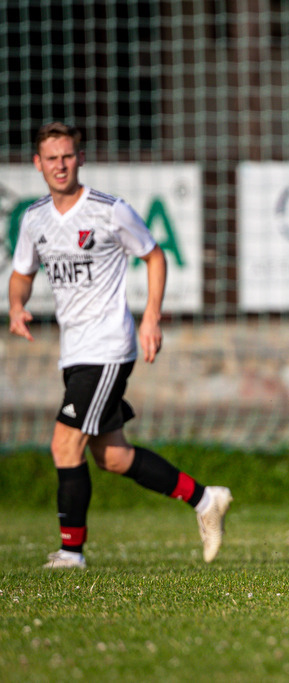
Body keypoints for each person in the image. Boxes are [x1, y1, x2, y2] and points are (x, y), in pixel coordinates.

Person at [7, 122, 232, 569]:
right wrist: (17, 306)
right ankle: (206, 499)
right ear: (38, 164)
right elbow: (21, 273)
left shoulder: (110, 210)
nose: (60, 165)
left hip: (108, 346)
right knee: (112, 456)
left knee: (64, 445)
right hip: (74, 352)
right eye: (51, 158)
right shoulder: (35, 219)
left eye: (67, 156)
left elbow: (154, 255)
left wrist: (151, 317)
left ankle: (71, 553)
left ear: (80, 158)